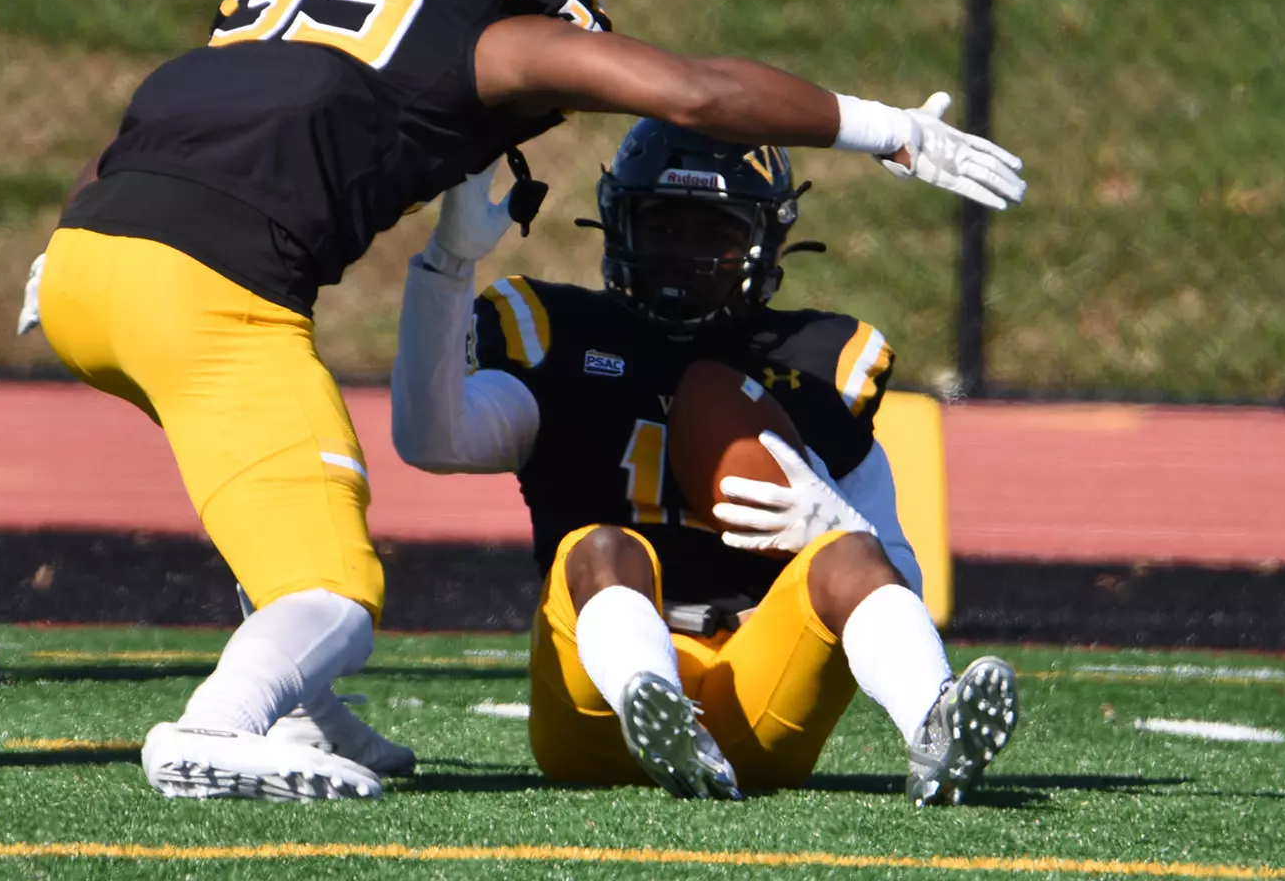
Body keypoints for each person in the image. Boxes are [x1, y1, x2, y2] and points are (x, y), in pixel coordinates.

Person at [17, 0, 1023, 802]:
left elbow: (174, 122)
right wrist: (887, 130)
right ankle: (222, 724)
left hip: (85, 258)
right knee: (332, 582)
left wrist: (72, 247)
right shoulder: (488, 24)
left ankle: (304, 712)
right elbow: (698, 91)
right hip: (206, 287)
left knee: (258, 491)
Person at [393, 120, 1018, 805]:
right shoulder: (559, 334)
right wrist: (447, 267)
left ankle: (936, 725)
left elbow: (901, 585)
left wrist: (836, 520)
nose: (684, 255)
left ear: (764, 241)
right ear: (621, 225)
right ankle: (654, 702)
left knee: (850, 554)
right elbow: (432, 440)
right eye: (664, 227)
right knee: (601, 546)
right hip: (596, 704)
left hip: (755, 689)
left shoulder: (819, 364)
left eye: (712, 234)